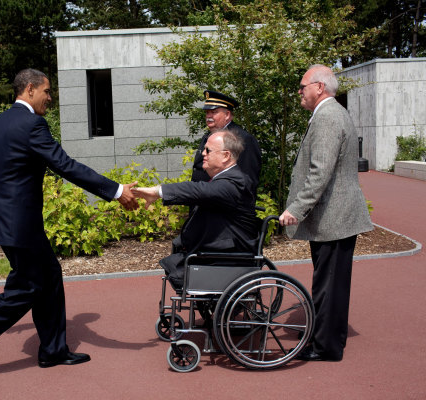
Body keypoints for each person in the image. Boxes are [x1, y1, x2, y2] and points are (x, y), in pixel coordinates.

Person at [0, 68, 139, 382]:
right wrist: (115, 191)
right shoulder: (33, 124)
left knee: (49, 276)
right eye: (47, 91)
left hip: (9, 224)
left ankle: (53, 350)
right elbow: (65, 165)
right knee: (25, 289)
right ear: (30, 89)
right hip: (21, 225)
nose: (50, 97)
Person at [279, 64, 373, 362]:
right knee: (329, 282)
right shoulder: (329, 114)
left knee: (329, 284)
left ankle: (326, 346)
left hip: (335, 217)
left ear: (319, 87)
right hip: (335, 216)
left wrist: (296, 208)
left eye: (303, 86)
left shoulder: (329, 117)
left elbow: (321, 171)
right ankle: (327, 335)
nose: (300, 92)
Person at [133, 130, 257, 289]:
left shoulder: (234, 182)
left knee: (178, 266)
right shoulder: (226, 179)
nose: (203, 154)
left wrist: (157, 192)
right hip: (218, 249)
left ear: (226, 156)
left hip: (228, 255)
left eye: (208, 150)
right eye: (203, 150)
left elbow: (198, 190)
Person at [193, 90, 261, 196]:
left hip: (224, 206)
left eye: (214, 112)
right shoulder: (208, 136)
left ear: (227, 115)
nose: (208, 116)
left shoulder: (242, 139)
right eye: (207, 112)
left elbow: (248, 180)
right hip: (203, 202)